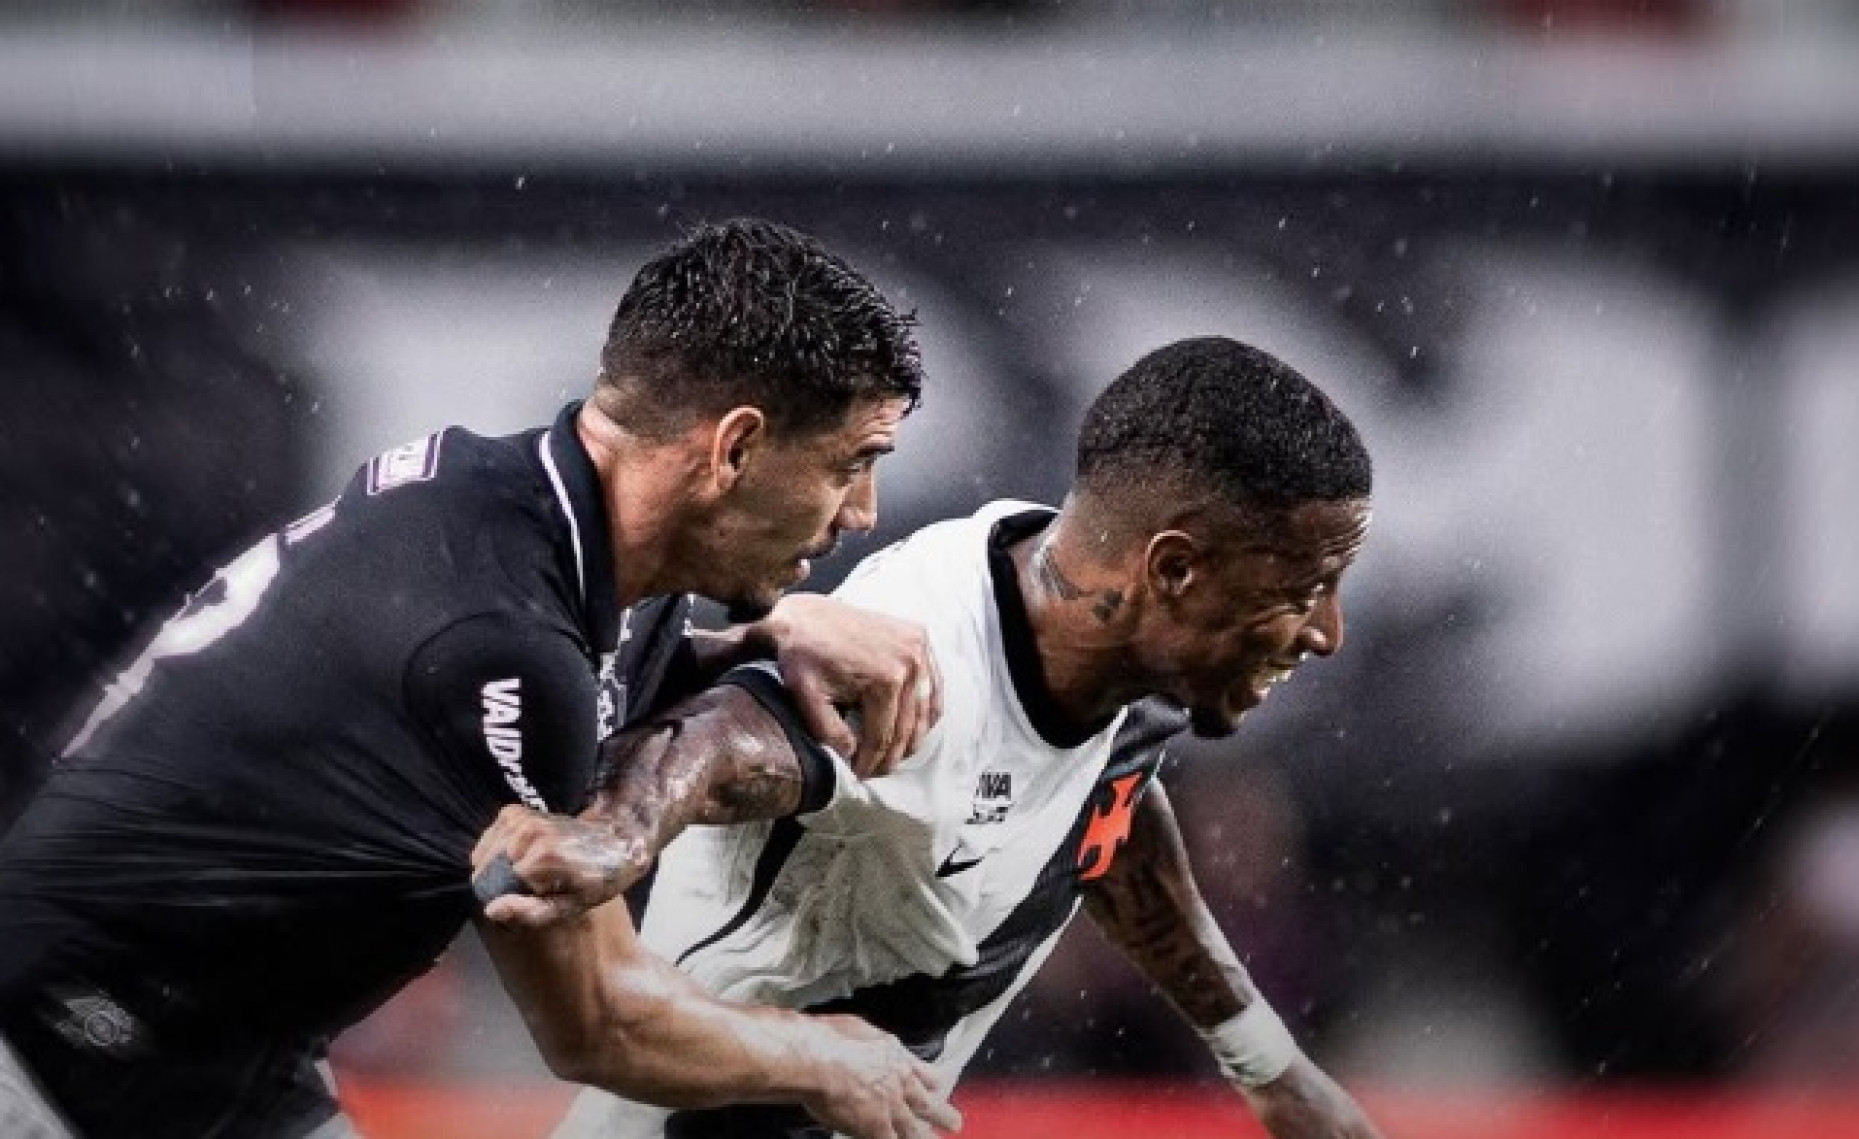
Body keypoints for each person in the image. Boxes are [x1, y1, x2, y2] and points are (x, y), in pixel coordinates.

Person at [0, 218, 962, 1139]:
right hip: (69, 1057)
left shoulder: (533, 519)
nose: (863, 514)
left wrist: (771, 632)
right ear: (735, 448)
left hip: (180, 1046)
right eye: (852, 464)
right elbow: (601, 1023)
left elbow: (587, 685)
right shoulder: (499, 640)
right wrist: (827, 1056)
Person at [481, 336, 1386, 1139]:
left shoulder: (1117, 651)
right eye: (1306, 590)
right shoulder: (920, 656)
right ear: (1176, 568)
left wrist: (1267, 1063)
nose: (1327, 632)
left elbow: (1105, 807)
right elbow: (726, 735)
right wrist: (615, 835)